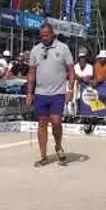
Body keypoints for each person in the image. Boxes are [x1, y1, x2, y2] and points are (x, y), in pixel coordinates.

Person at [26, 23, 75, 167]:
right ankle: (43, 156)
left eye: (46, 35)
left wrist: (70, 90)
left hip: (58, 92)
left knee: (56, 121)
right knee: (42, 123)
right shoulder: (35, 50)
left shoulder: (63, 48)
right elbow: (31, 73)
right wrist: (29, 93)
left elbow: (71, 71)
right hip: (40, 92)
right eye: (42, 35)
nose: (44, 38)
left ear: (52, 34)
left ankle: (58, 146)